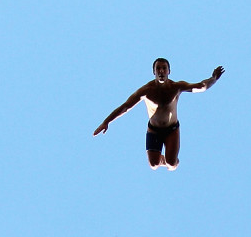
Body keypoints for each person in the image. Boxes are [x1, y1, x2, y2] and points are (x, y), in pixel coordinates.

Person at [94, 58, 224, 170]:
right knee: (153, 165)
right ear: (154, 72)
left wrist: (213, 79)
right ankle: (162, 160)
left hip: (171, 129)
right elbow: (125, 106)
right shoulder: (146, 91)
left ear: (169, 71)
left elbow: (201, 86)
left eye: (164, 68)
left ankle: (171, 160)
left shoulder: (176, 87)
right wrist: (107, 121)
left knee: (172, 164)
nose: (161, 71)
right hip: (154, 130)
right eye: (158, 69)